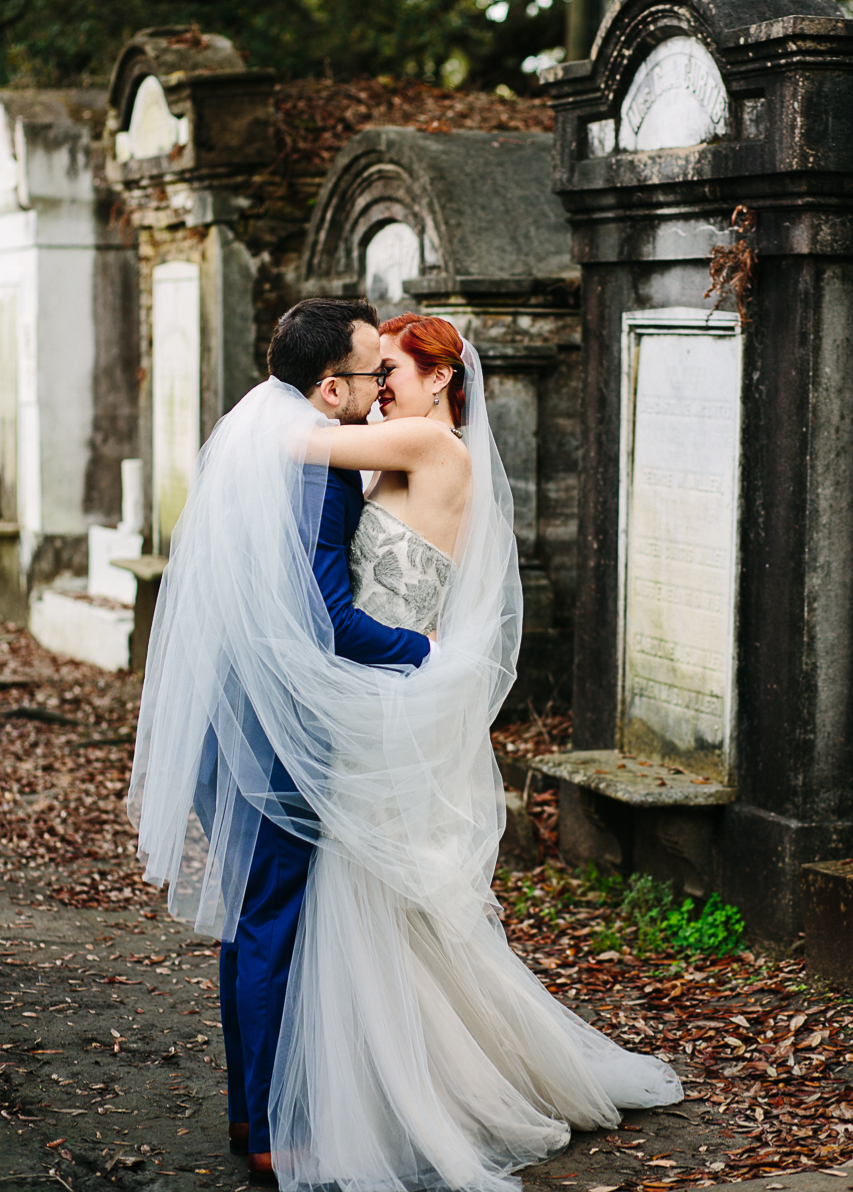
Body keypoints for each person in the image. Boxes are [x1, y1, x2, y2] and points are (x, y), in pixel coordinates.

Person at [130, 301, 680, 1192]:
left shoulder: (437, 450)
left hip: (384, 690)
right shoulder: (391, 453)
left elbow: (288, 444)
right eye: (371, 373)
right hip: (352, 697)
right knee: (350, 912)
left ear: (442, 381)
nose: (379, 391)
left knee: (362, 907)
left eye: (393, 375)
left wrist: (295, 402)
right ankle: (321, 1095)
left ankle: (340, 1098)